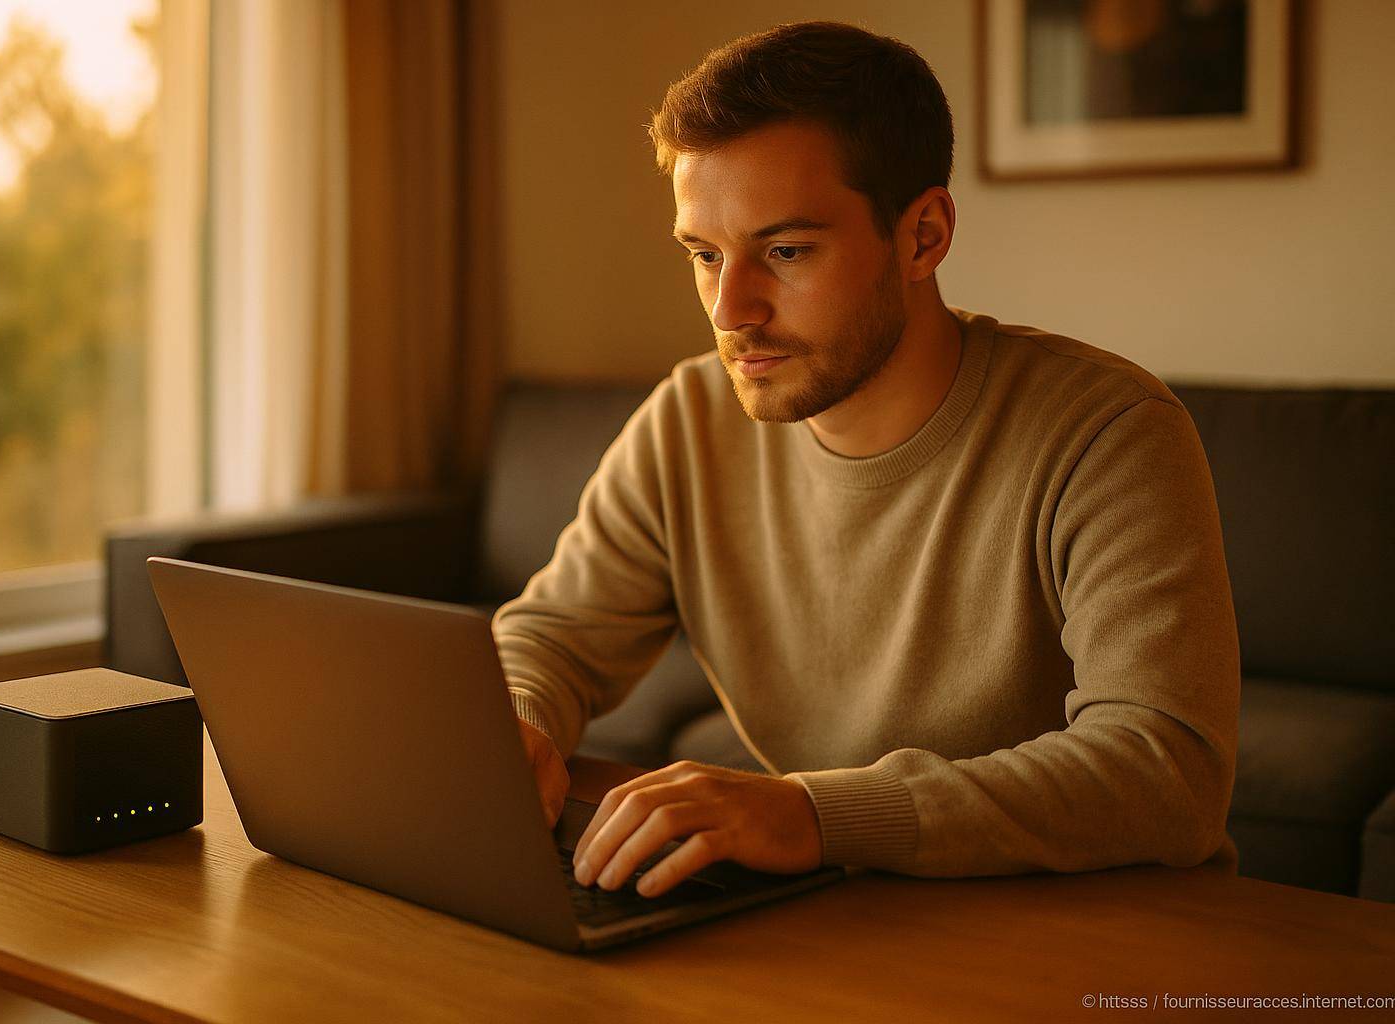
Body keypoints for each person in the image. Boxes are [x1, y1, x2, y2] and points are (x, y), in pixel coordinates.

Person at [494, 20, 1240, 901]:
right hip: (838, 912)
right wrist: (518, 725)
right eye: (704, 255)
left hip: (1090, 929)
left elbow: (1165, 770)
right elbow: (550, 639)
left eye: (784, 251)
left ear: (922, 235)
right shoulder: (689, 419)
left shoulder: (1108, 430)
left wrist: (813, 814)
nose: (730, 309)